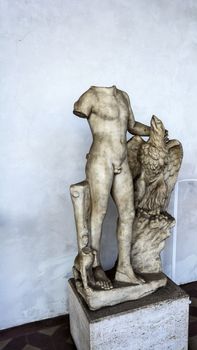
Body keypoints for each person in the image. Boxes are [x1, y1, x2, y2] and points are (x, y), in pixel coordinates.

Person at [73, 85, 150, 289]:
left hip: (122, 160)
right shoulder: (90, 96)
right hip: (101, 159)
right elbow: (80, 110)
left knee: (128, 213)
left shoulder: (123, 95)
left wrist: (153, 131)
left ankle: (124, 268)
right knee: (99, 212)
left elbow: (132, 126)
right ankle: (96, 265)